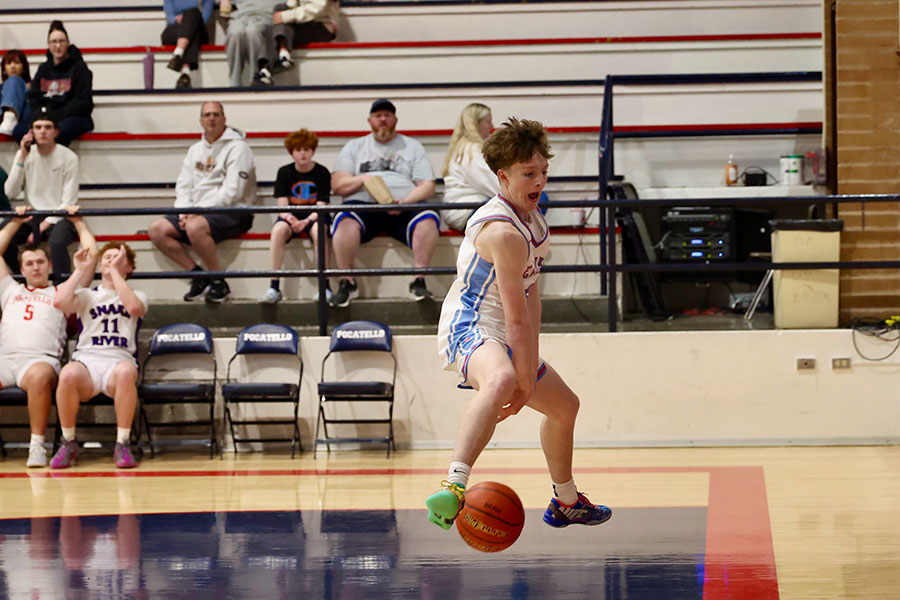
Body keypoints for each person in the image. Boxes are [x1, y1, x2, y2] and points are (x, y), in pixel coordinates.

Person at [427, 117, 611, 530]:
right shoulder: (502, 231)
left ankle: (566, 502)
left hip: (506, 327)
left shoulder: (534, 220)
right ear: (503, 175)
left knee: (565, 407)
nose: (539, 180)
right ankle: (454, 486)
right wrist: (521, 375)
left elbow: (532, 298)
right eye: (529, 173)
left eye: (543, 171)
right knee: (502, 380)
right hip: (471, 322)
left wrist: (529, 369)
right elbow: (513, 315)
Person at [0, 206, 96, 467]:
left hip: (40, 361)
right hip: (5, 360)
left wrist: (78, 222)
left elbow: (91, 258)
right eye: (29, 263)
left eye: (40, 262)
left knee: (39, 377)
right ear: (21, 268)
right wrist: (15, 221)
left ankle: (37, 446)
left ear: (50, 265)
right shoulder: (9, 289)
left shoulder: (61, 291)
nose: (35, 267)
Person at [329, 98, 438, 307]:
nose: (383, 120)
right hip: (364, 204)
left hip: (403, 204)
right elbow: (337, 184)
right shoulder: (355, 146)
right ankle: (347, 281)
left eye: (387, 116)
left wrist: (405, 202)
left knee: (429, 217)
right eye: (378, 116)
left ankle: (419, 279)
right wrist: (362, 179)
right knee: (343, 219)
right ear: (369, 121)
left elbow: (427, 186)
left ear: (395, 120)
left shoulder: (412, 146)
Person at [49, 241, 148, 469]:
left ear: (129, 267)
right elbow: (59, 302)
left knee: (125, 372)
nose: (110, 260)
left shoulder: (139, 295)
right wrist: (80, 271)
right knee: (67, 373)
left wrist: (115, 272)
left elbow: (133, 309)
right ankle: (68, 441)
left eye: (117, 258)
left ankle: (122, 444)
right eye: (107, 258)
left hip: (119, 361)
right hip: (88, 362)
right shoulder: (87, 295)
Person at [148, 101, 256, 303]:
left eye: (216, 114)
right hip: (197, 211)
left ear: (224, 119)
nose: (211, 118)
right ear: (200, 120)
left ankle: (218, 281)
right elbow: (183, 185)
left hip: (235, 210)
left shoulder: (239, 148)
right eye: (207, 115)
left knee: (195, 227)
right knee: (156, 229)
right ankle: (198, 276)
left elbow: (233, 191)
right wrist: (184, 212)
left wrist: (196, 212)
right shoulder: (195, 150)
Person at [3, 106, 80, 278]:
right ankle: (21, 281)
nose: (42, 131)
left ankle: (61, 289)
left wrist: (43, 226)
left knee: (57, 242)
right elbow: (10, 192)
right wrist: (22, 157)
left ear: (56, 132)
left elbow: (69, 201)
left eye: (47, 127)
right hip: (32, 215)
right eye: (38, 127)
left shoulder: (69, 157)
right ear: (32, 131)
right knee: (3, 236)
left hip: (61, 215)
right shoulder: (24, 154)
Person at [260, 128, 331, 304]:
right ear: (292, 153)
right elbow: (282, 206)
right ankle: (274, 287)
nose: (303, 154)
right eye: (298, 150)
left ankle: (325, 287)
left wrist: (306, 221)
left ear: (313, 151)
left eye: (306, 149)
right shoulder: (284, 172)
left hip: (315, 216)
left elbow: (322, 205)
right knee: (278, 230)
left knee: (319, 231)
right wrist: (292, 220)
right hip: (291, 216)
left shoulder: (322, 172)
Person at [27, 21, 94, 146]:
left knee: (57, 132)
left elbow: (82, 102)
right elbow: (34, 97)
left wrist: (53, 117)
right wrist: (42, 116)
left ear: (68, 43)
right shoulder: (43, 69)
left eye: (61, 41)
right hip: (47, 117)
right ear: (48, 45)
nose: (58, 46)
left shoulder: (80, 68)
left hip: (74, 117)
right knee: (20, 131)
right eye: (54, 42)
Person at [440, 103, 499, 232]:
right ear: (476, 123)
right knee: (538, 199)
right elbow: (494, 187)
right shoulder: (471, 150)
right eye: (488, 122)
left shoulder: (465, 147)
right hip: (467, 209)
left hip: (466, 208)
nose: (492, 127)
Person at [254, 0, 339, 86]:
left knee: (282, 20)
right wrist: (285, 14)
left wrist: (286, 16)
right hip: (304, 23)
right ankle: (281, 57)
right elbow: (292, 4)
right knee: (279, 12)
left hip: (322, 26)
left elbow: (317, 9)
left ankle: (268, 68)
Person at [220, 0, 277, 87]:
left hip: (266, 16)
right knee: (234, 33)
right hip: (240, 16)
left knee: (252, 31)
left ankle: (256, 78)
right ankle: (234, 83)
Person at [162, 0, 214, 89]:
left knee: (193, 14)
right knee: (190, 30)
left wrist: (188, 20)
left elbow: (205, 19)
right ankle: (185, 72)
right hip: (175, 30)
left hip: (199, 31)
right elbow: (170, 18)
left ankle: (178, 54)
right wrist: (182, 21)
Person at [0, 49, 31, 138]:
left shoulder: (33, 86)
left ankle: (10, 117)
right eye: (9, 63)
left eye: (17, 63)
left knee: (14, 79)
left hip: (24, 120)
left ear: (24, 67)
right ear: (4, 68)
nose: (13, 66)